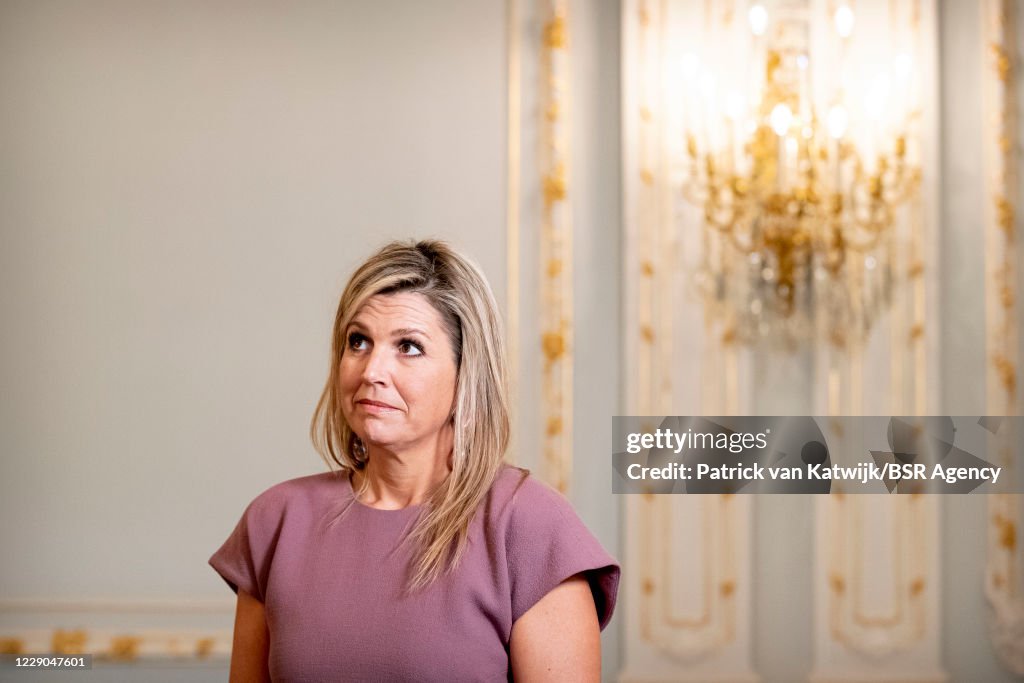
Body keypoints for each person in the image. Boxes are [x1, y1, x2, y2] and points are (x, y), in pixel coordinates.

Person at [209, 239, 620, 682]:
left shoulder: (530, 527)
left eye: (408, 347)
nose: (371, 371)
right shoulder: (275, 521)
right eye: (358, 341)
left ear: (467, 373)